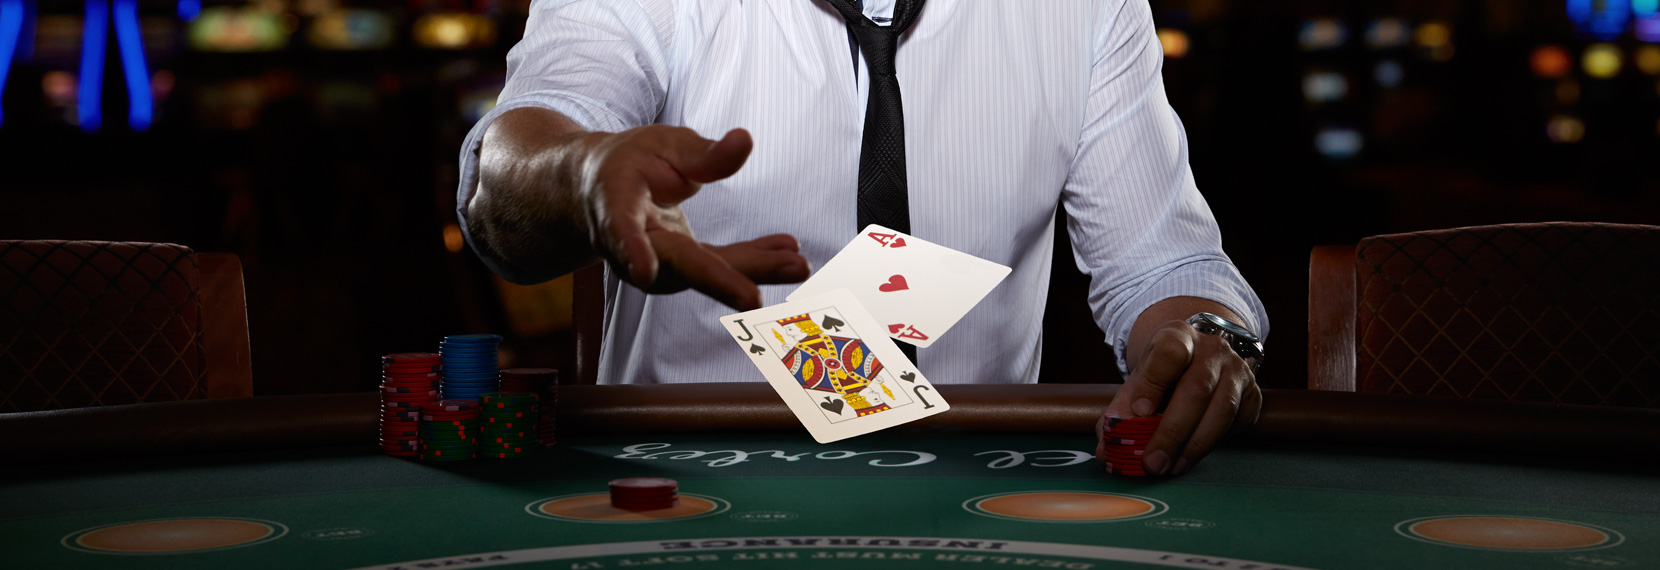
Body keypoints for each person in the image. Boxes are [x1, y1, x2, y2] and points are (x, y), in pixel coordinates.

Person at [456, 0, 1269, 477]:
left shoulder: (1089, 9)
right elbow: (505, 176)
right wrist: (582, 174)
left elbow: (1164, 263)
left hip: (976, 489)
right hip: (685, 481)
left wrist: (1200, 334)